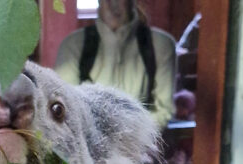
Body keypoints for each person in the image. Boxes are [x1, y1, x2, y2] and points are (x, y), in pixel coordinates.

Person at [54, 0, 176, 128]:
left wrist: (131, 137)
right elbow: (66, 108)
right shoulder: (73, 45)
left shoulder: (160, 44)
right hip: (89, 142)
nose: (113, 5)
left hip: (141, 142)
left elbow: (163, 111)